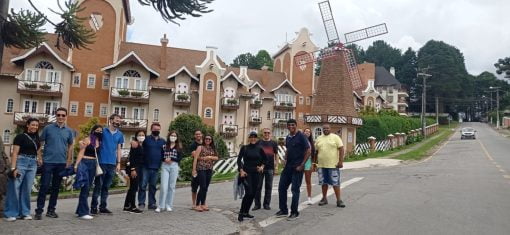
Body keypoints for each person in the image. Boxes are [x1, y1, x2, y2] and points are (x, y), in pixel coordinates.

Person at [35, 107, 75, 220]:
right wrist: (39, 157)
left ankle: (51, 210)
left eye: (63, 115)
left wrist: (69, 160)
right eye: (58, 115)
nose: (61, 117)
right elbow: (39, 142)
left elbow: (71, 146)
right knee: (44, 186)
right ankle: (39, 211)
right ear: (55, 116)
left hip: (61, 163)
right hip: (47, 162)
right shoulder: (48, 128)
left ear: (66, 116)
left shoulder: (69, 131)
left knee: (56, 188)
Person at [3, 118, 41, 221]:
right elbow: (14, 153)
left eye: (37, 125)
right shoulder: (20, 137)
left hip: (32, 164)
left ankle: (24, 212)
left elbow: (37, 151)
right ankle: (10, 213)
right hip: (21, 162)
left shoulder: (37, 138)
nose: (35, 127)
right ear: (27, 125)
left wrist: (39, 159)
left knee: (26, 190)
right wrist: (13, 168)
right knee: (14, 188)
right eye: (33, 125)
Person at [275, 119, 311, 221]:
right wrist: (285, 159)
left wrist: (302, 165)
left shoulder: (301, 136)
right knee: (281, 188)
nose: (291, 127)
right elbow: (288, 150)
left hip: (297, 167)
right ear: (287, 127)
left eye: (293, 125)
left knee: (295, 190)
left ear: (296, 125)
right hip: (288, 167)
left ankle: (294, 212)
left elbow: (308, 150)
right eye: (289, 125)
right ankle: (283, 210)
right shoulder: (288, 137)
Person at [91, 114, 124, 215]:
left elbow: (119, 149)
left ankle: (103, 207)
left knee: (106, 186)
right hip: (101, 162)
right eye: (116, 120)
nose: (118, 122)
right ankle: (93, 207)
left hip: (112, 163)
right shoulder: (103, 131)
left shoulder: (120, 134)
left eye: (119, 121)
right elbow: (93, 140)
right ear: (110, 120)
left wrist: (118, 163)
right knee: (98, 185)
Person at [74, 125, 102, 220]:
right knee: (85, 187)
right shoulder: (89, 139)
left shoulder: (99, 141)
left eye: (100, 131)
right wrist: (76, 165)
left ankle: (79, 210)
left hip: (93, 164)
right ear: (93, 130)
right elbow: (81, 152)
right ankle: (83, 212)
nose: (99, 132)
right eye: (97, 130)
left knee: (88, 187)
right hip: (85, 163)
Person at [237, 132, 266, 222]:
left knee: (253, 194)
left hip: (256, 174)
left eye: (255, 137)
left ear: (256, 139)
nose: (253, 139)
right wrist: (241, 170)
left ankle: (246, 212)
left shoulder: (260, 148)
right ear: (249, 138)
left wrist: (262, 167)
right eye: (251, 137)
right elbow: (239, 160)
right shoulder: (244, 148)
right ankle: (241, 213)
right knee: (249, 193)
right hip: (246, 174)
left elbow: (265, 160)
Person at [315, 124, 345, 208]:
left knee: (335, 183)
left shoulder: (335, 137)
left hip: (333, 165)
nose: (325, 129)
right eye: (324, 128)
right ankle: (324, 199)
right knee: (323, 183)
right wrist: (314, 163)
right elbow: (316, 152)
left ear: (330, 129)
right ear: (322, 129)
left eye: (327, 128)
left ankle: (339, 200)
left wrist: (340, 161)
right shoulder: (319, 138)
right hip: (321, 165)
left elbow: (341, 149)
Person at [138, 123, 165, 210]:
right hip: (145, 166)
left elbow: (164, 153)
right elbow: (140, 148)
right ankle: (141, 203)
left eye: (158, 129)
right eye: (155, 129)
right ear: (151, 129)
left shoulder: (163, 141)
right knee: (143, 185)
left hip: (156, 167)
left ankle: (152, 203)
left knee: (153, 186)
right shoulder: (146, 139)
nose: (156, 131)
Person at [157, 131, 183, 212]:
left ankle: (168, 204)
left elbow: (179, 158)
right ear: (169, 136)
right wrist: (165, 159)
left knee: (171, 186)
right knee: (163, 187)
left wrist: (171, 159)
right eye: (172, 135)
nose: (173, 137)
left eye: (174, 136)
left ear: (177, 138)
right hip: (165, 166)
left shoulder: (179, 147)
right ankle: (161, 205)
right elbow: (161, 156)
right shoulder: (164, 146)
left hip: (174, 166)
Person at [253, 128, 278, 211]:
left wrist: (276, 166)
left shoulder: (274, 143)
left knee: (269, 187)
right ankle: (257, 204)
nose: (266, 134)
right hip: (259, 168)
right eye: (265, 132)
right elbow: (255, 154)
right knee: (257, 187)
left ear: (270, 133)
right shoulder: (258, 142)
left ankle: (266, 204)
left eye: (268, 132)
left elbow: (276, 155)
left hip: (270, 167)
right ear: (262, 133)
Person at [192, 134, 218, 212]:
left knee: (206, 187)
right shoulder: (200, 147)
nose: (208, 140)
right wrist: (194, 169)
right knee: (202, 186)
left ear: (211, 141)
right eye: (206, 139)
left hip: (209, 169)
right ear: (204, 139)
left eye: (209, 139)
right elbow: (195, 159)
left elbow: (217, 157)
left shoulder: (212, 148)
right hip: (201, 168)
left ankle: (203, 204)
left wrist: (209, 157)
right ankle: (197, 205)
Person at [122, 130, 145, 214]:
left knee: (132, 187)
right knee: (134, 188)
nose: (141, 136)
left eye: (143, 135)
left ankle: (126, 206)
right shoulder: (135, 144)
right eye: (139, 135)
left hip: (139, 167)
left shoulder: (141, 145)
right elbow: (132, 157)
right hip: (135, 168)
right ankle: (132, 206)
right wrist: (133, 169)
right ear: (136, 136)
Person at [189, 130, 203, 209]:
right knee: (194, 187)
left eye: (199, 134)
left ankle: (201, 202)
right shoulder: (193, 145)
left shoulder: (205, 143)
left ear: (202, 135)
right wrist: (206, 157)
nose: (198, 135)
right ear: (195, 136)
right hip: (196, 168)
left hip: (204, 168)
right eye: (196, 134)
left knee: (203, 186)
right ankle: (194, 203)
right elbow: (195, 155)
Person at [303, 128, 316, 205]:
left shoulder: (311, 143)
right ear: (303, 132)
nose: (307, 132)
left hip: (308, 162)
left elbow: (313, 154)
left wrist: (313, 164)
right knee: (297, 180)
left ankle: (309, 198)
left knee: (308, 181)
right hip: (300, 162)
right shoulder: (300, 140)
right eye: (306, 131)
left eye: (309, 132)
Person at [0, 138, 9, 213]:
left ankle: (2, 210)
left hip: (2, 169)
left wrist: (8, 166)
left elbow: (3, 153)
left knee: (3, 191)